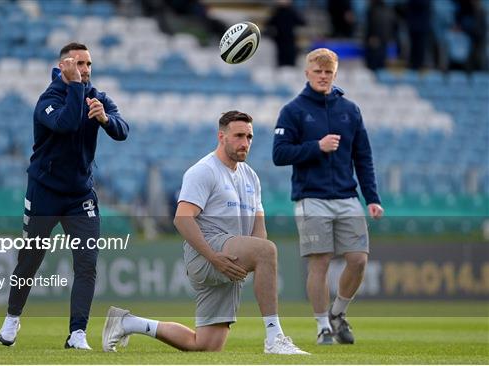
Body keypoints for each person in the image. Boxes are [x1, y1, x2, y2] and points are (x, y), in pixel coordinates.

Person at [102, 111, 309, 355]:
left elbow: (258, 226)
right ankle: (275, 338)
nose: (245, 142)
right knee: (267, 250)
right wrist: (214, 256)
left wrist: (251, 258)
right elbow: (182, 218)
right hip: (207, 253)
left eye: (250, 137)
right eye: (239, 136)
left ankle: (128, 322)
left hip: (229, 258)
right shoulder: (203, 170)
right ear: (221, 137)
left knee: (205, 345)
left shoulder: (251, 176)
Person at [0, 42, 130, 349]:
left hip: (80, 195)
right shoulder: (49, 99)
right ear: (64, 66)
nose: (85, 69)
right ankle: (12, 317)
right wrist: (75, 89)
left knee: (87, 264)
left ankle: (77, 333)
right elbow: (66, 123)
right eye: (79, 64)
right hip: (44, 193)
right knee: (30, 260)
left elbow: (123, 130)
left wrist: (106, 120)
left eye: (89, 64)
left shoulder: (98, 97)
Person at [272, 48, 384, 345]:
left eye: (328, 72)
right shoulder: (293, 110)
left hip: (347, 197)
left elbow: (363, 157)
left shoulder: (350, 110)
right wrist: (316, 147)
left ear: (335, 75)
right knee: (319, 263)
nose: (323, 77)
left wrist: (372, 197)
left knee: (358, 260)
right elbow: (279, 154)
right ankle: (322, 326)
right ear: (307, 73)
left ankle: (338, 312)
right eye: (318, 71)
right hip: (311, 197)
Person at [266, 0, 306, 67]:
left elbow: (302, 22)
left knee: (289, 59)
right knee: (282, 60)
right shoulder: (277, 12)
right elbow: (269, 24)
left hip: (289, 40)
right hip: (280, 40)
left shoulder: (292, 12)